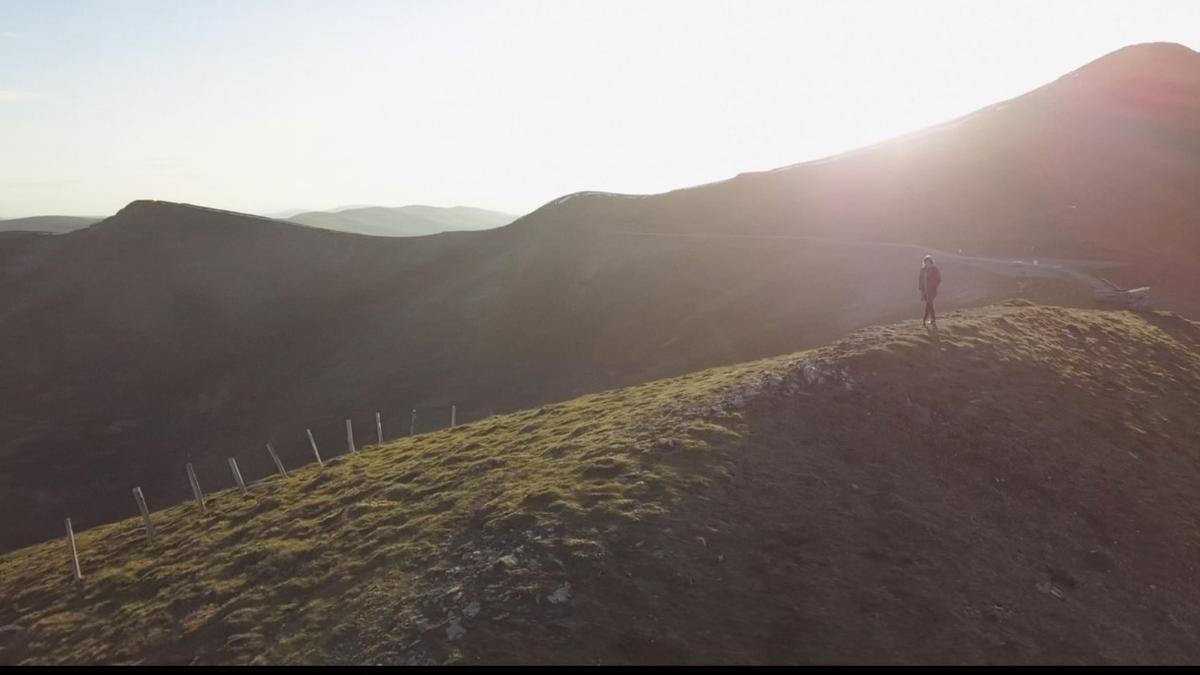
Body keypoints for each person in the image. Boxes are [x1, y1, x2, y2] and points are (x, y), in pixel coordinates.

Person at [919, 255, 941, 327]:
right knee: (929, 304)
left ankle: (925, 319)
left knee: (929, 303)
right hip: (925, 291)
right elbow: (920, 280)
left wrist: (933, 286)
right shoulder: (922, 270)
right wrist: (921, 290)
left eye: (928, 262)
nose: (927, 263)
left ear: (931, 262)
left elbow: (938, 279)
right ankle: (930, 319)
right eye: (926, 262)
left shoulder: (934, 269)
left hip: (932, 290)